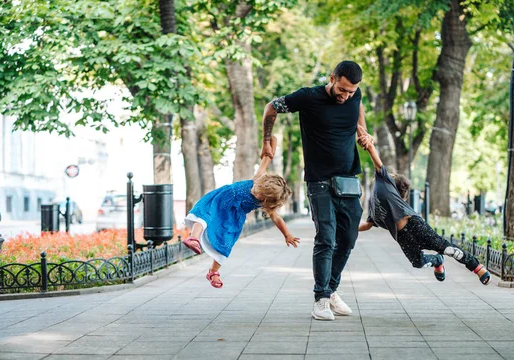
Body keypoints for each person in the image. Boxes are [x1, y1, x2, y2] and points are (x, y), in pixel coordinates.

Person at [261, 61, 374, 321]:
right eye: (342, 89)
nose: (346, 96)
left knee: (348, 240)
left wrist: (364, 133)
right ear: (332, 78)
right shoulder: (308, 97)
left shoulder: (355, 96)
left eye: (351, 91)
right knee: (326, 238)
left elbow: (359, 112)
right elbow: (271, 107)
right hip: (319, 181)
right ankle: (321, 298)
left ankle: (331, 290)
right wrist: (266, 140)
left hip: (347, 180)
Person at [356, 126, 491, 285]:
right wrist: (347, 226)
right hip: (402, 237)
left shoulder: (384, 180)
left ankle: (477, 267)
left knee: (445, 247)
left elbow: (371, 149)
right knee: (417, 262)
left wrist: (357, 128)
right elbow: (367, 225)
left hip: (414, 225)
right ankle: (437, 261)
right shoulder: (373, 208)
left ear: (392, 179)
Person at [182, 137, 300, 288]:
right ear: (262, 183)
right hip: (220, 200)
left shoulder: (266, 203)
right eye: (259, 191)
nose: (257, 195)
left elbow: (277, 218)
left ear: (267, 201)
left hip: (233, 218)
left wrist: (287, 235)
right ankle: (193, 238)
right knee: (204, 216)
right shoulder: (258, 177)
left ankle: (213, 272)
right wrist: (270, 140)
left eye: (262, 197)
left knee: (226, 243)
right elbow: (267, 157)